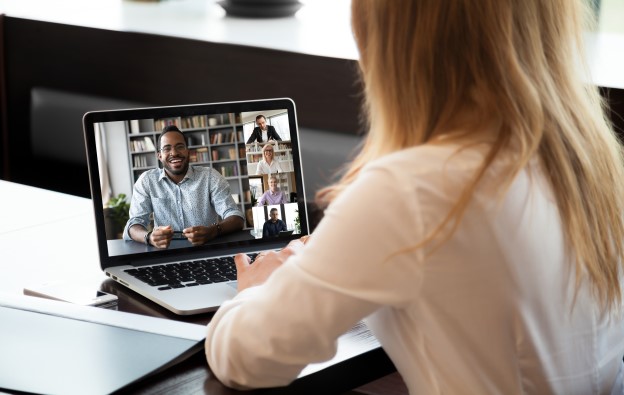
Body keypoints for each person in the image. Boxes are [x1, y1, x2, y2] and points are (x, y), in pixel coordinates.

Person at [206, 1, 624, 394]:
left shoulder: (411, 190)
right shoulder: (589, 162)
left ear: (388, 37)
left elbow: (247, 358)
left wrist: (258, 290)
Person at [124, 125, 244, 249]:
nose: (174, 153)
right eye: (167, 148)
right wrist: (148, 237)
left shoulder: (210, 176)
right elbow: (134, 224)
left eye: (180, 147)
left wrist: (213, 231)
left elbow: (236, 217)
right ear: (159, 156)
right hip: (165, 253)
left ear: (188, 151)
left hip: (207, 249)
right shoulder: (147, 181)